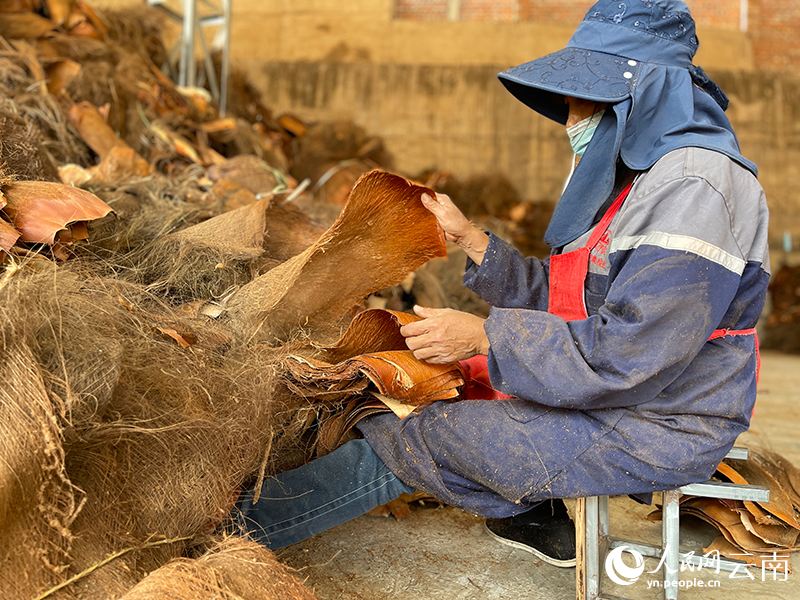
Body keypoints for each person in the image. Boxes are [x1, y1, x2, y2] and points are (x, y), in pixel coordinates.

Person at [235, 0, 769, 569]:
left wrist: (487, 338)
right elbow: (569, 298)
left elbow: (630, 354)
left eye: (584, 100)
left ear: (644, 96)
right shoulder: (644, 177)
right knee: (421, 388)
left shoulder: (696, 187)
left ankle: (234, 538)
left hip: (658, 421)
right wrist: (472, 240)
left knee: (424, 431)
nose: (570, 118)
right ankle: (532, 512)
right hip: (621, 397)